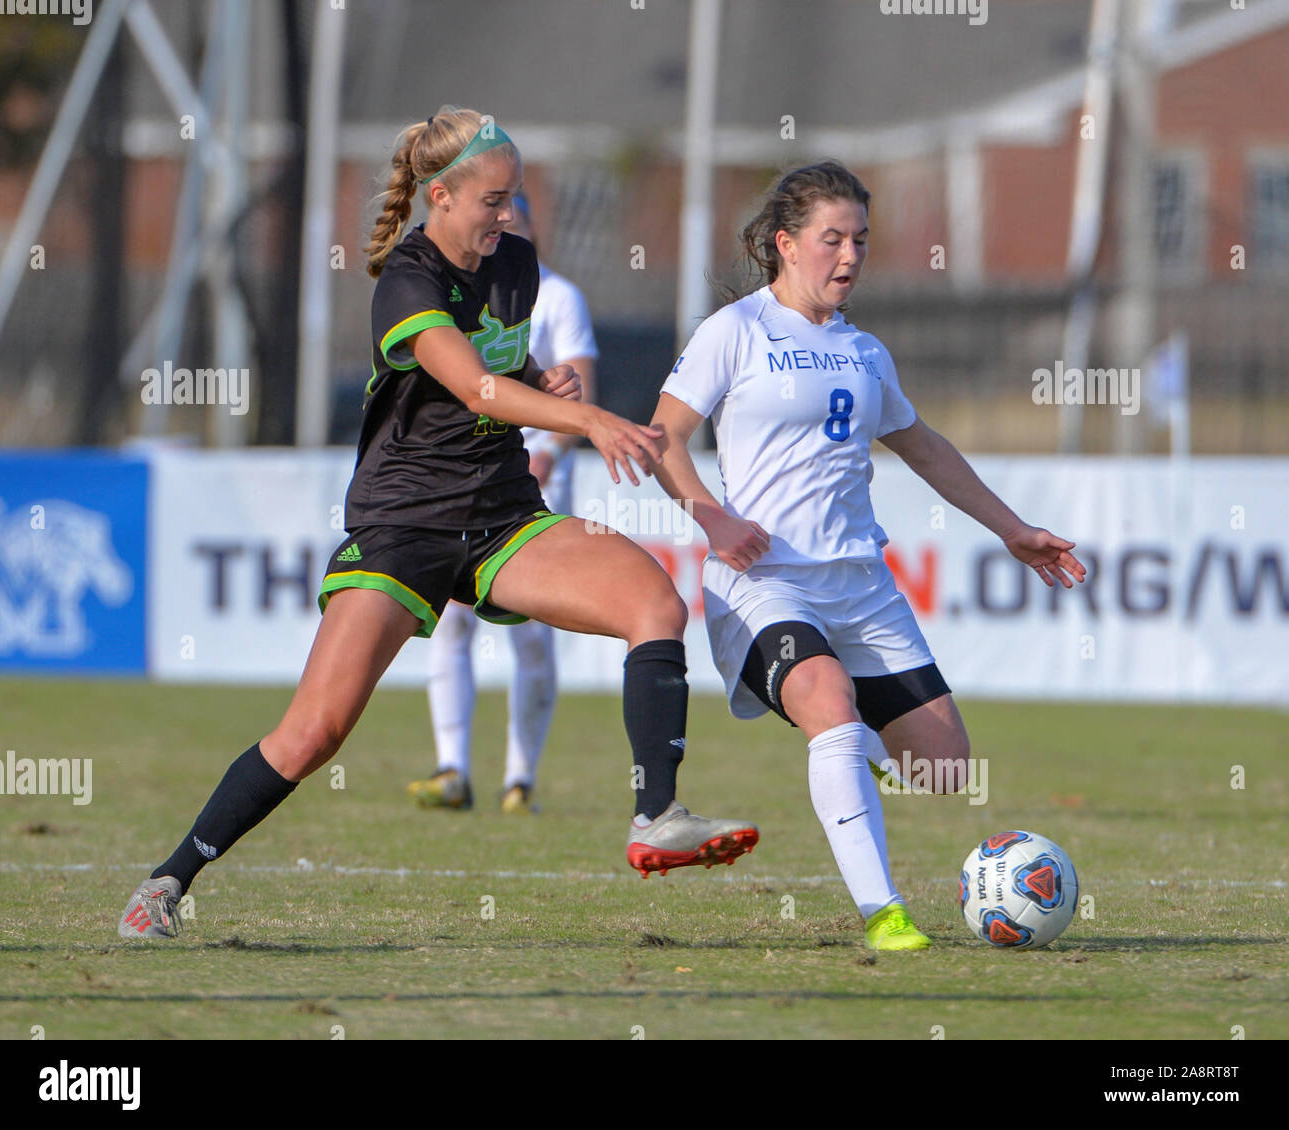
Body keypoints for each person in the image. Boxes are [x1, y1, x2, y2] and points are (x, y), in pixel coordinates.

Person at [117, 106, 757, 941]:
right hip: (402, 525)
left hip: (500, 516)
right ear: (441, 196)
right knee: (314, 734)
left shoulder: (516, 263)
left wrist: (541, 380)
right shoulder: (406, 281)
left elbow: (496, 364)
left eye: (517, 197)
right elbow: (474, 388)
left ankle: (656, 816)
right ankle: (168, 882)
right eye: (493, 199)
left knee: (655, 604)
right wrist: (591, 420)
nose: (510, 215)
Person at [648, 161, 1085, 952]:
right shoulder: (735, 331)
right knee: (828, 698)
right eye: (831, 240)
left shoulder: (866, 351)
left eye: (861, 241)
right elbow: (664, 438)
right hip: (763, 582)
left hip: (861, 587)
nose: (848, 256)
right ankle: (884, 914)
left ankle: (849, 755)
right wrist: (711, 519)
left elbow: (924, 446)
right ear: (785, 244)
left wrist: (1012, 529)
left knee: (946, 769)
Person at [408, 191, 598, 814]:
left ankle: (520, 778)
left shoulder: (559, 296)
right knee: (452, 621)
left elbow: (578, 400)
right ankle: (451, 767)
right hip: (464, 488)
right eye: (493, 209)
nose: (505, 223)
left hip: (533, 493)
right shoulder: (448, 291)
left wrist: (545, 453)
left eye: (516, 213)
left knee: (533, 637)